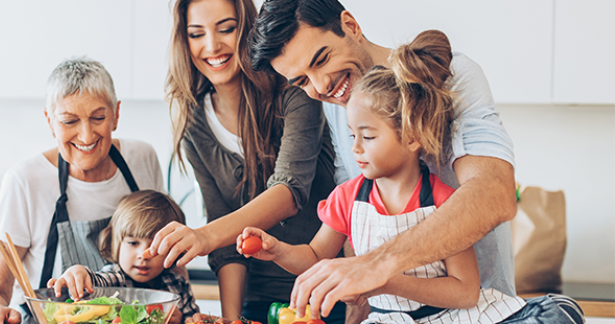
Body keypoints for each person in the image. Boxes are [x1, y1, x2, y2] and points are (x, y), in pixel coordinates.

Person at [240, 30, 583, 324]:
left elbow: (465, 292)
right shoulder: (348, 197)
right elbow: (316, 257)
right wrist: (278, 250)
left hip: (457, 316)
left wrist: (383, 278)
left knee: (557, 312)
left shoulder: (444, 202)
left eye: (369, 137)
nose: (355, 149)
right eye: (351, 136)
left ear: (411, 136)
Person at [145, 0, 344, 322]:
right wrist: (232, 318)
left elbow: (289, 192)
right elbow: (225, 242)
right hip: (255, 298)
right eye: (197, 34)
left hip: (323, 290)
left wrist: (204, 235)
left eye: (227, 29)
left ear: (248, 30)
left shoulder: (295, 89)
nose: (212, 46)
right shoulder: (194, 123)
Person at [0, 57, 165, 324]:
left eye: (98, 117)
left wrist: (186, 308)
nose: (86, 136)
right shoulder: (25, 180)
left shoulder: (142, 159)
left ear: (116, 114)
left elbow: (170, 254)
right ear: (49, 121)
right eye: (69, 121)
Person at [47, 190, 200, 324]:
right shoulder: (114, 278)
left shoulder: (178, 285)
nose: (143, 255)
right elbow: (93, 283)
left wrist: (181, 320)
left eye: (156, 247)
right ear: (116, 244)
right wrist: (78, 272)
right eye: (133, 243)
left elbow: (194, 319)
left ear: (173, 249)